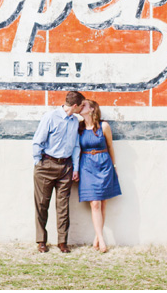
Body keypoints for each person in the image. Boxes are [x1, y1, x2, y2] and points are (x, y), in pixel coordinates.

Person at [31, 91, 86, 253]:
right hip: (46, 165)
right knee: (41, 204)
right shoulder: (50, 117)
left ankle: (62, 241)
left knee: (63, 206)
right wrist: (38, 162)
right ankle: (41, 241)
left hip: (66, 167)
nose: (82, 108)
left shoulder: (75, 121)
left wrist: (75, 168)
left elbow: (76, 146)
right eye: (81, 105)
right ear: (75, 106)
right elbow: (38, 141)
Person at [72, 99, 121, 253]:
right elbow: (75, 150)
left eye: (84, 105)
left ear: (92, 109)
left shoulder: (103, 126)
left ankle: (97, 238)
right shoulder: (78, 128)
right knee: (95, 203)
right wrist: (76, 169)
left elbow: (110, 146)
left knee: (102, 203)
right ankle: (101, 239)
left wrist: (114, 166)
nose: (81, 107)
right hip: (87, 166)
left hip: (104, 164)